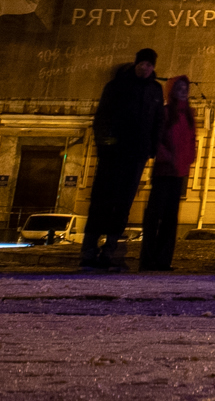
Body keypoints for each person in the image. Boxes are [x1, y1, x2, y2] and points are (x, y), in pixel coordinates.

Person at [81, 47, 164, 270]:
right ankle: (88, 250)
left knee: (123, 204)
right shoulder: (117, 86)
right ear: (135, 64)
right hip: (113, 155)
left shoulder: (156, 91)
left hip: (136, 156)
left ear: (153, 67)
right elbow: (102, 118)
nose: (145, 68)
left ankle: (108, 251)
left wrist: (151, 149)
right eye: (141, 64)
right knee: (102, 200)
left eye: (149, 65)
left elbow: (158, 122)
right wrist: (105, 145)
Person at [139, 74, 196, 271]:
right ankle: (148, 260)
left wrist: (188, 159)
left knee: (171, 219)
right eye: (179, 87)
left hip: (179, 173)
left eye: (185, 87)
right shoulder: (165, 112)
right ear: (172, 90)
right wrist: (167, 157)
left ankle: (163, 260)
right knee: (155, 217)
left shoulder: (189, 114)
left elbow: (191, 140)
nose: (183, 90)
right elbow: (158, 138)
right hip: (164, 171)